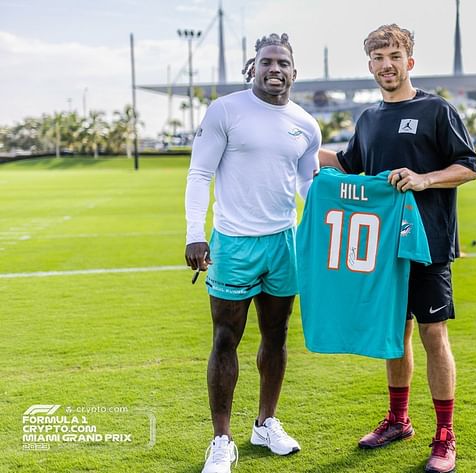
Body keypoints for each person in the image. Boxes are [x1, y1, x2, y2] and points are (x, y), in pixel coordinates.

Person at [318, 24, 476, 473]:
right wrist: (299, 142)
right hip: (381, 249)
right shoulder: (368, 118)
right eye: (377, 57)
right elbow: (349, 166)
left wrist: (425, 178)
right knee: (395, 335)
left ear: (409, 61)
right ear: (369, 65)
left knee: (433, 335)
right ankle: (398, 420)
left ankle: (445, 435)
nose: (385, 64)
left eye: (394, 56)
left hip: (428, 244)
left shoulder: (436, 110)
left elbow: (469, 166)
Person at [184, 33, 320, 473]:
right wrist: (195, 233)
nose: (275, 68)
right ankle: (221, 440)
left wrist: (342, 198)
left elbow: (304, 184)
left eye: (283, 62)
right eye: (267, 62)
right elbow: (200, 171)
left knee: (277, 336)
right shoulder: (226, 110)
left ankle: (265, 423)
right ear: (253, 68)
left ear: (294, 72)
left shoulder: (306, 124)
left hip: (284, 241)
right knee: (226, 337)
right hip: (233, 241)